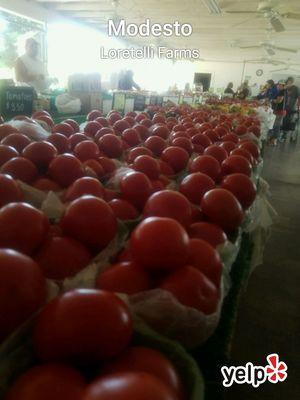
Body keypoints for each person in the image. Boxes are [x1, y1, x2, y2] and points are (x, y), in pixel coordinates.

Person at [280, 77, 299, 142]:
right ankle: (283, 134)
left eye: (289, 81)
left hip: (292, 108)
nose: (288, 83)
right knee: (284, 121)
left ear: (292, 81)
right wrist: (284, 88)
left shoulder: (296, 88)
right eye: (288, 81)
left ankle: (288, 136)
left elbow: (298, 98)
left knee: (290, 121)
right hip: (284, 107)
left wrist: (297, 107)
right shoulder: (285, 88)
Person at [268, 81, 286, 146]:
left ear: (283, 86)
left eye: (280, 85)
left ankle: (274, 140)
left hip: (279, 111)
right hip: (280, 111)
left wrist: (272, 100)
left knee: (276, 126)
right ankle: (273, 139)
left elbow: (279, 101)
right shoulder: (284, 91)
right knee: (276, 126)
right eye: (278, 85)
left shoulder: (282, 92)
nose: (278, 86)